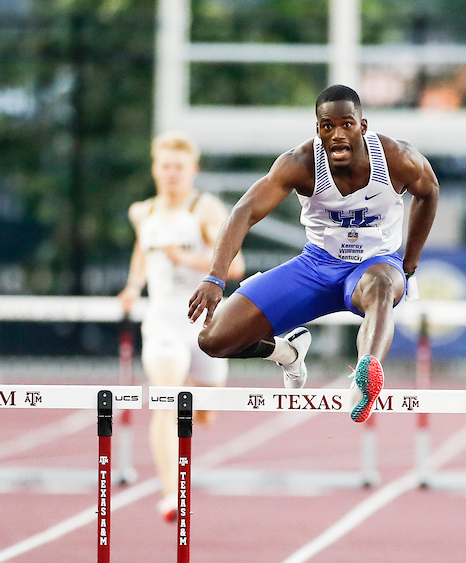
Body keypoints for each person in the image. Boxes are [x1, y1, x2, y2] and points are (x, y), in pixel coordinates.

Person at [188, 84, 439, 423]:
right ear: (317, 129)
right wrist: (215, 277)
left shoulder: (396, 157)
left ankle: (366, 375)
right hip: (316, 267)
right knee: (214, 340)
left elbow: (429, 191)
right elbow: (244, 211)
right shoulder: (300, 163)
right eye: (327, 126)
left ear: (363, 126)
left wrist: (409, 261)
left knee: (382, 284)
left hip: (374, 266)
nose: (337, 135)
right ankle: (287, 352)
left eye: (346, 124)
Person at [118, 134, 244, 521]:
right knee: (165, 403)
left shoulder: (204, 209)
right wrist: (132, 286)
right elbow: (142, 249)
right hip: (163, 325)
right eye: (165, 166)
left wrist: (186, 258)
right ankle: (172, 494)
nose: (171, 174)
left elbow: (235, 267)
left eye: (179, 167)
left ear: (193, 170)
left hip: (204, 328)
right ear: (155, 168)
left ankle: (193, 390)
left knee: (204, 414)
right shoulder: (143, 211)